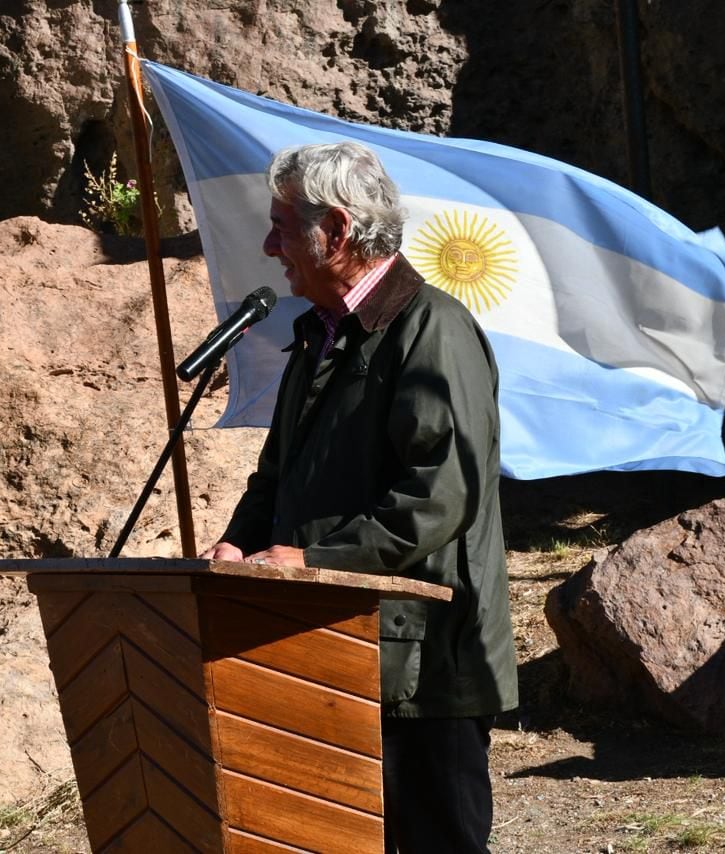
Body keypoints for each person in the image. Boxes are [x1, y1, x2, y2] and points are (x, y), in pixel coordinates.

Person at [200, 141, 518, 854]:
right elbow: (275, 477)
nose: (269, 244)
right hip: (334, 644)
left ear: (337, 231)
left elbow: (441, 493)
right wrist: (238, 544)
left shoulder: (431, 330)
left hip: (423, 659)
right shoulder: (317, 336)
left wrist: (314, 559)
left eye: (283, 225)